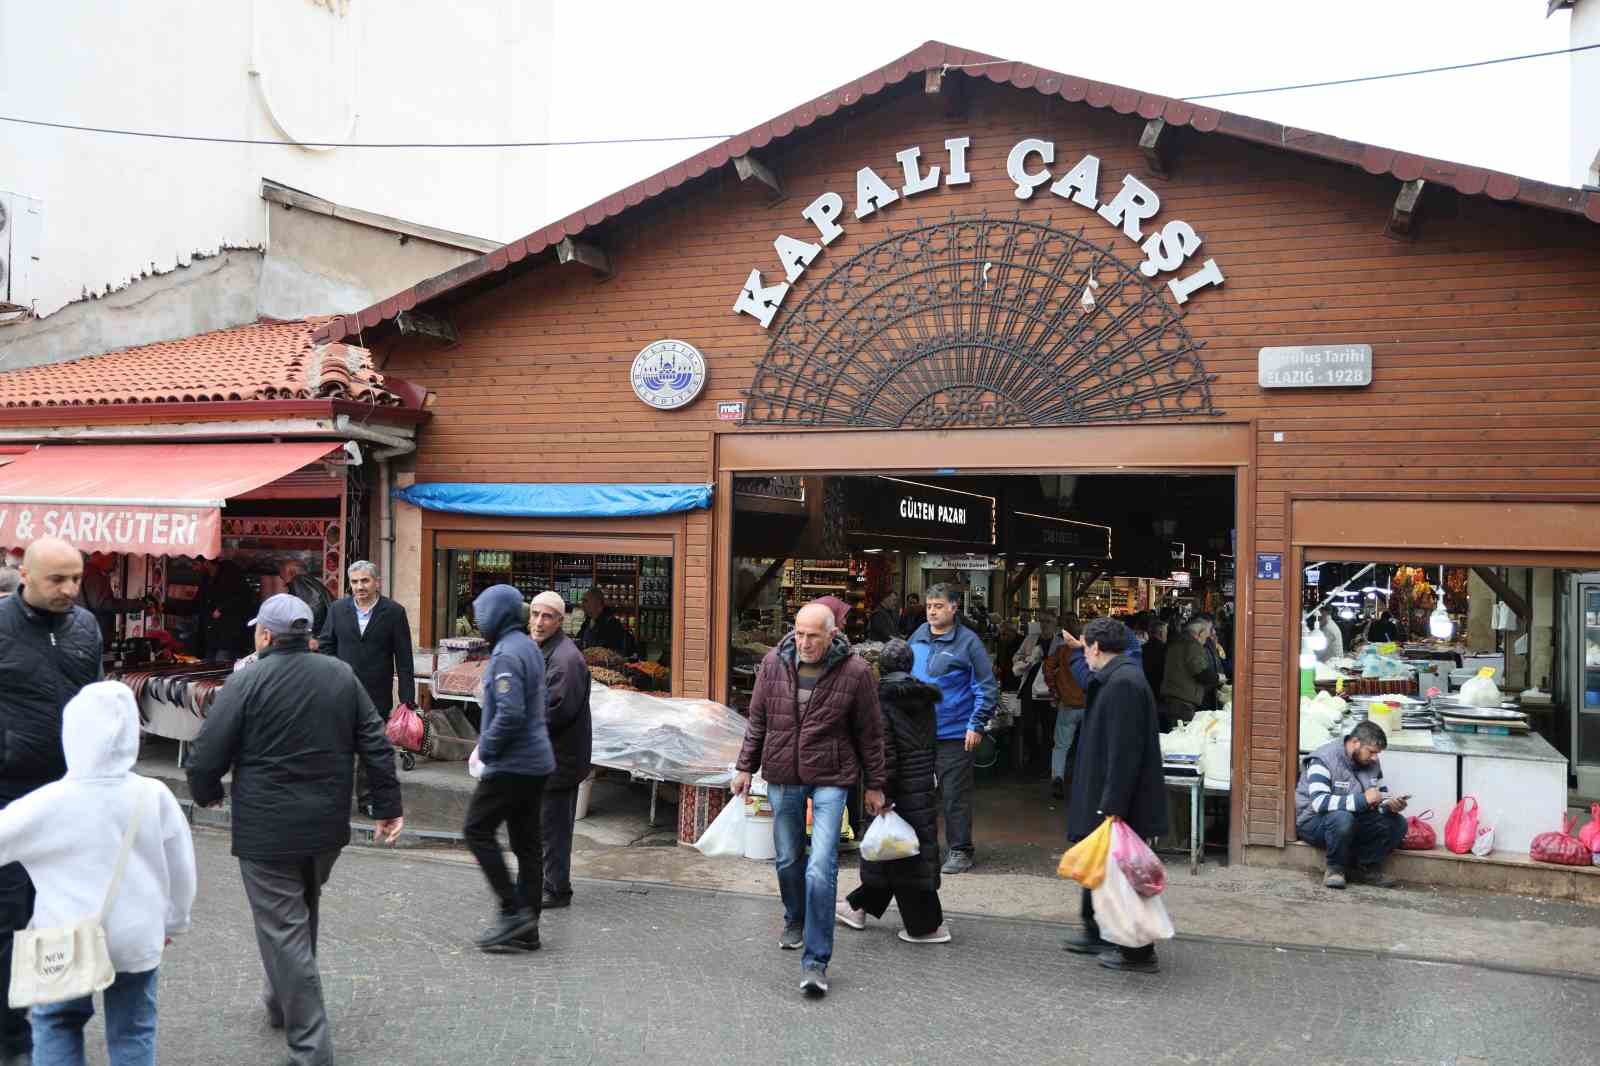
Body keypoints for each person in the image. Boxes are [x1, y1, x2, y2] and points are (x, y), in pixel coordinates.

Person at [186, 594, 403, 1066]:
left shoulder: (247, 680)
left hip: (268, 828)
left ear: (265, 635)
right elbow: (375, 740)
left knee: (285, 926)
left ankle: (311, 1048)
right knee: (299, 913)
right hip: (325, 825)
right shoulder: (340, 675)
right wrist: (387, 806)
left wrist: (207, 793)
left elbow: (206, 753)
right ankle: (281, 1002)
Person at [0, 682, 196, 1066]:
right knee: (134, 1030)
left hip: (65, 937)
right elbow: (181, 869)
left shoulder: (49, 802)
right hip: (137, 935)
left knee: (57, 1022)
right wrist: (174, 922)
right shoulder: (155, 795)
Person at [731, 602, 886, 998]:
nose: (804, 642)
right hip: (784, 773)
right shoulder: (773, 663)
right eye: (799, 634)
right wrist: (745, 766)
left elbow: (870, 733)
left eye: (813, 636)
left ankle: (816, 962)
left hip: (832, 775)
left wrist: (875, 784)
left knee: (820, 867)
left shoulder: (856, 672)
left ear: (832, 635)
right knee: (787, 859)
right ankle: (795, 917)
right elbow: (758, 719)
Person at [0, 537, 103, 1065]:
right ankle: (11, 1038)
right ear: (26, 575)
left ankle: (60, 1024)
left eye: (75, 579)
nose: (69, 589)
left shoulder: (86, 626)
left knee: (68, 914)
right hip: (10, 796)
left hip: (71, 796)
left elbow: (96, 701)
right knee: (9, 916)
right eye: (56, 579)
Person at [1061, 618, 1168, 974]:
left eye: (1085, 649)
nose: (1084, 655)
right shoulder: (1119, 677)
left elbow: (1124, 752)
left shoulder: (1122, 684)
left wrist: (1113, 805)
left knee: (1123, 877)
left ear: (1094, 647)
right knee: (1107, 872)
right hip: (1110, 796)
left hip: (1117, 801)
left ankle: (1137, 951)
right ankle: (1104, 934)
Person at [835, 638, 949, 944]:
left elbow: (885, 751)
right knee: (894, 849)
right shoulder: (924, 699)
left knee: (902, 855)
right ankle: (856, 907)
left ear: (880, 667)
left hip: (896, 789)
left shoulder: (879, 700)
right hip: (921, 785)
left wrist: (880, 789)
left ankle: (926, 927)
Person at [463, 584, 556, 952]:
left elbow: (510, 713)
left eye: (481, 613)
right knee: (526, 844)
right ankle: (528, 929)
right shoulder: (527, 647)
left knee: (476, 830)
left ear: (495, 615)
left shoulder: (506, 654)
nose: (478, 621)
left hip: (513, 763)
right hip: (536, 761)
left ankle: (512, 910)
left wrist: (485, 749)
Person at [908, 583, 998, 875]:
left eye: (938, 606)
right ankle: (922, 847)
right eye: (929, 606)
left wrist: (976, 724)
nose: (932, 612)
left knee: (954, 794)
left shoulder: (969, 643)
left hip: (955, 733)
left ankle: (960, 850)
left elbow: (986, 687)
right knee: (917, 792)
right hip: (918, 731)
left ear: (954, 608)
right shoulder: (918, 635)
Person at [528, 591, 592, 910]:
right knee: (544, 825)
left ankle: (556, 889)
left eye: (547, 616)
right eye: (535, 614)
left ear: (560, 621)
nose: (539, 622)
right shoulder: (544, 649)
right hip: (547, 757)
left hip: (559, 759)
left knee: (553, 828)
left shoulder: (566, 660)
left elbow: (555, 711)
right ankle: (546, 882)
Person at [1295, 720, 1408, 889]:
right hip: (1313, 821)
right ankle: (1335, 870)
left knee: (1397, 823)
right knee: (1342, 818)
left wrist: (1389, 805)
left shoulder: (1372, 762)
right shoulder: (1323, 759)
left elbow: (1379, 796)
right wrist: (1363, 800)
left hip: (1351, 820)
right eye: (1371, 752)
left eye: (1377, 753)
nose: (1374, 757)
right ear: (1355, 742)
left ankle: (1365, 868)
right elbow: (1320, 803)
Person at [317, 561, 416, 718]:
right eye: (354, 581)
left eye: (365, 581)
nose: (359, 587)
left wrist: (407, 702)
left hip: (378, 697)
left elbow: (404, 661)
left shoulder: (394, 612)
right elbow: (325, 647)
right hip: (342, 693)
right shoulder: (337, 609)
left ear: (377, 582)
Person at [1043, 614, 1088, 799]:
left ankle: (1058, 778)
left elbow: (1047, 669)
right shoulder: (1091, 651)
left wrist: (1054, 689)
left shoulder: (1061, 651)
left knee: (1061, 746)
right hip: (1088, 704)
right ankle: (1087, 781)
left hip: (1068, 704)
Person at [1012, 612, 1060, 776]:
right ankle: (1033, 758)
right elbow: (1016, 657)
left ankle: (1045, 764)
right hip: (1029, 689)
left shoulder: (1060, 643)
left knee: (1048, 729)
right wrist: (1028, 659)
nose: (1044, 624)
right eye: (1041, 621)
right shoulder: (1030, 639)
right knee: (1028, 727)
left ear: (1055, 624)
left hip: (1049, 691)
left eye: (1048, 621)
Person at [79, 552, 149, 650]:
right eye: (114, 558)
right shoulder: (93, 574)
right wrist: (139, 605)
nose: (116, 564)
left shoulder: (82, 572)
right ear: (103, 554)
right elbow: (105, 604)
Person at [1161, 617, 1218, 726]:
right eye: (1206, 635)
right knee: (1183, 733)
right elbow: (1200, 672)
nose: (1206, 639)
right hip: (1183, 702)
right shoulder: (1193, 645)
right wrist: (1217, 678)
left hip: (1172, 698)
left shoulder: (1177, 642)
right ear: (1200, 633)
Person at [275, 557, 332, 641]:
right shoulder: (310, 582)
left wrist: (303, 634)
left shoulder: (299, 581)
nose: (282, 580)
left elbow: (314, 609)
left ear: (292, 572)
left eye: (282, 576)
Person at [577, 588, 634, 656]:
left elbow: (612, 653)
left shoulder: (612, 624)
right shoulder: (588, 621)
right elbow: (579, 640)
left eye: (585, 601)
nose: (582, 605)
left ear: (597, 602)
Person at [1143, 617, 1169, 697]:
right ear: (1161, 633)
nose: (1166, 635)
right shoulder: (1165, 650)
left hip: (1144, 687)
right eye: (1166, 632)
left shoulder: (1142, 648)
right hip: (1159, 689)